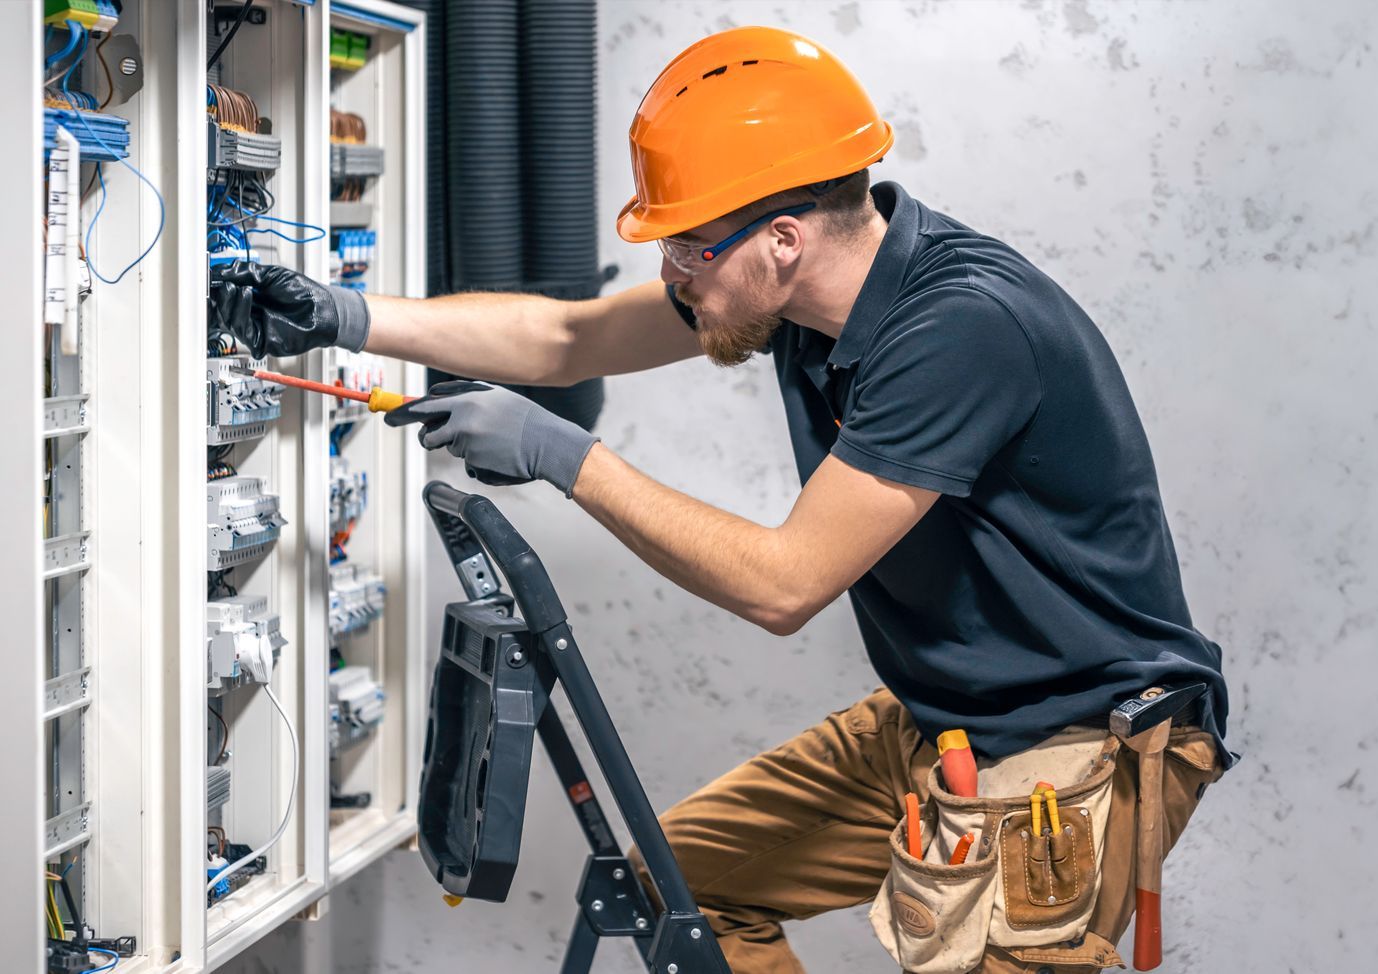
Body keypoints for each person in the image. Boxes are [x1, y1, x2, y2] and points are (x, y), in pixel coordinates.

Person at [211, 26, 1231, 974]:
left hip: (1080, 744)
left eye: (688, 250)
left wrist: (563, 454)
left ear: (782, 238)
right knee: (678, 877)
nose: (673, 275)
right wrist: (348, 315)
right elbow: (568, 339)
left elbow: (784, 583)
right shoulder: (798, 293)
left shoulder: (959, 331)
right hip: (949, 713)